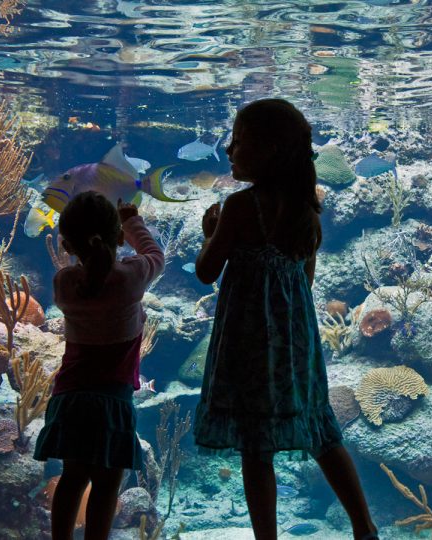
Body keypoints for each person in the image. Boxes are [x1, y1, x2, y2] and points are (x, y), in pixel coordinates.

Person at [193, 98, 379, 540]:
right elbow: (305, 281)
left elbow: (204, 272)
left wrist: (210, 233)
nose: (229, 150)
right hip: (296, 344)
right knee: (320, 430)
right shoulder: (304, 210)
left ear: (268, 150)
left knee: (256, 448)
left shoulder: (239, 207)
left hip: (247, 344)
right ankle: (364, 527)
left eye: (238, 142)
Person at [33, 191, 164, 540]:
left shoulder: (65, 284)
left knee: (73, 476)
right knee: (108, 482)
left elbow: (90, 272)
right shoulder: (130, 278)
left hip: (71, 397)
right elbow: (155, 255)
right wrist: (132, 220)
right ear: (119, 237)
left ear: (66, 245)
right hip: (112, 399)